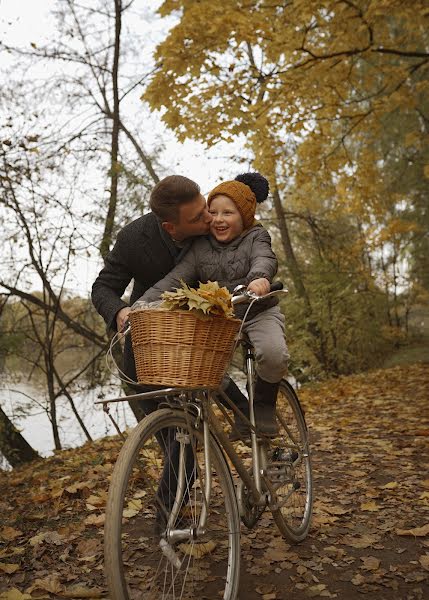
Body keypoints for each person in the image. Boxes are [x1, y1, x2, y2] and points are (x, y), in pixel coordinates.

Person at [134, 172, 290, 438]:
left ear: (244, 216)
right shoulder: (200, 248)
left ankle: (263, 404)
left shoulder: (256, 236)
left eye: (228, 213)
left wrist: (259, 279)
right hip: (223, 317)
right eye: (213, 212)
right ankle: (240, 407)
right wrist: (143, 302)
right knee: (203, 369)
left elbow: (265, 259)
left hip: (257, 309)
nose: (218, 219)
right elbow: (174, 278)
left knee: (274, 354)